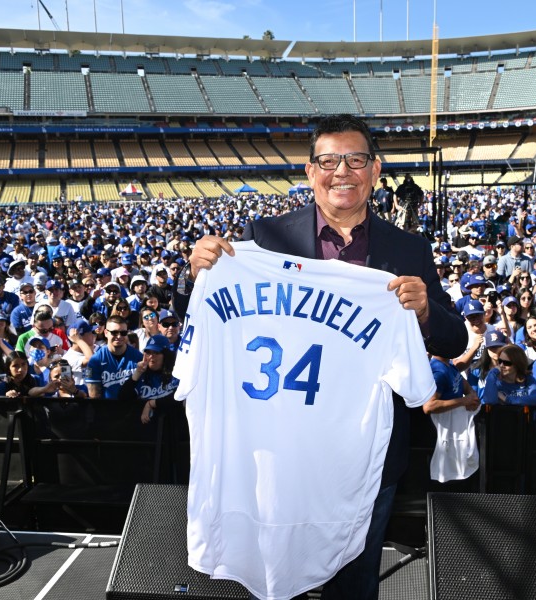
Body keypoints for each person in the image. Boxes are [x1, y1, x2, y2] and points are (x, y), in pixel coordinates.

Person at [173, 114, 467, 600]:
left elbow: (455, 340)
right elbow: (203, 315)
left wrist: (423, 313)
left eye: (355, 160)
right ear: (311, 172)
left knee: (353, 585)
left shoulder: (408, 248)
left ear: (375, 171)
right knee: (270, 576)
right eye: (329, 161)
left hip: (363, 459)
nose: (342, 172)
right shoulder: (265, 237)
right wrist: (195, 275)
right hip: (276, 449)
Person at [422, 341, 480, 484]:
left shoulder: (450, 367)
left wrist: (472, 396)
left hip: (454, 435)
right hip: (441, 437)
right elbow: (429, 406)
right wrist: (463, 401)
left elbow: (463, 384)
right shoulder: (438, 371)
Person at [119, 334, 179, 424]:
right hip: (146, 430)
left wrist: (152, 403)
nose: (151, 356)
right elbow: (123, 397)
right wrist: (137, 373)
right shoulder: (141, 375)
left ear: (166, 355)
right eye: (148, 352)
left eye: (156, 353)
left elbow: (179, 399)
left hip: (172, 427)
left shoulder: (176, 373)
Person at [85, 315, 144, 399]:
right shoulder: (96, 360)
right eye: (114, 332)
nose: (119, 336)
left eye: (123, 333)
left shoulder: (138, 357)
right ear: (106, 333)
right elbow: (94, 395)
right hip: (106, 410)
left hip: (132, 408)